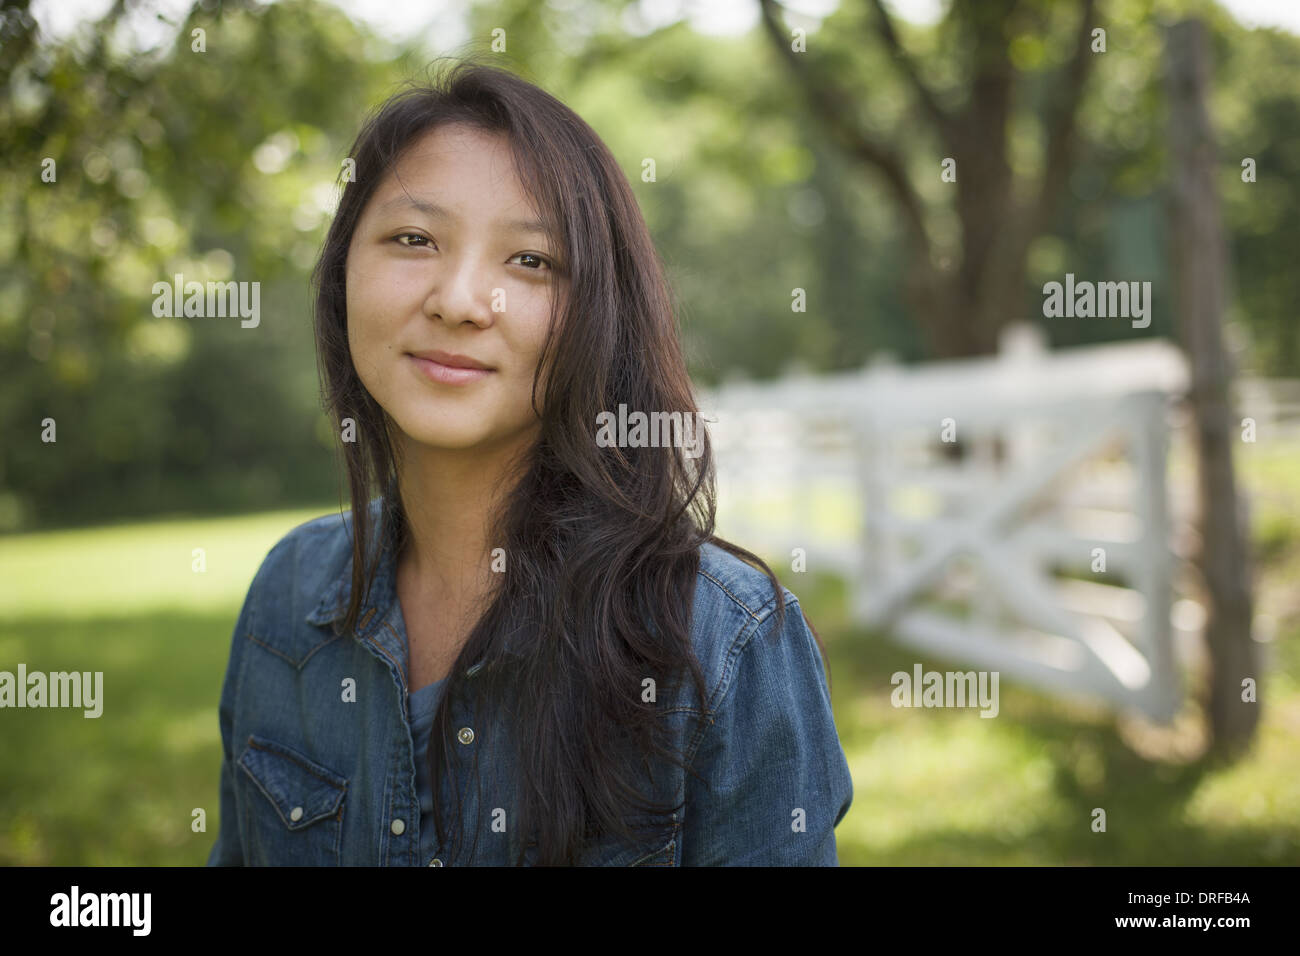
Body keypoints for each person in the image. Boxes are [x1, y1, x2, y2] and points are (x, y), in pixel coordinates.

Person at [207, 58, 852, 866]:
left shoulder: (725, 641)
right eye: (413, 239)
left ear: (598, 316)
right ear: (343, 272)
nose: (460, 301)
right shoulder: (284, 599)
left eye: (531, 262)